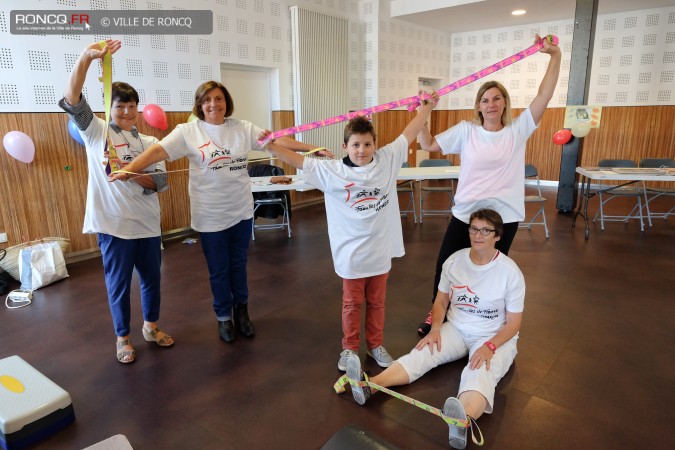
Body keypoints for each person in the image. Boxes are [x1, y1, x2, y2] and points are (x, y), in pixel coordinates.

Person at [109, 80, 329, 343]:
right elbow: (157, 151)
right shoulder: (188, 131)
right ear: (200, 105)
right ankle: (224, 317)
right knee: (219, 270)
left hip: (241, 212)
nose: (214, 104)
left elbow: (275, 140)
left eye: (219, 98)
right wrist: (129, 168)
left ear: (226, 102)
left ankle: (242, 313)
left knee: (238, 266)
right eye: (207, 100)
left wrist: (312, 149)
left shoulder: (243, 128)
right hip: (210, 215)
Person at [260, 91, 439, 371]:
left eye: (367, 144)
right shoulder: (331, 171)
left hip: (379, 251)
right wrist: (269, 147)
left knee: (378, 302)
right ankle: (350, 350)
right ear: (345, 146)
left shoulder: (387, 160)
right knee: (352, 303)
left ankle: (376, 345)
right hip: (351, 255)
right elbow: (298, 161)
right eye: (355, 145)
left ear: (375, 145)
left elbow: (408, 133)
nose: (362, 150)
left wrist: (426, 110)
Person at [416, 34, 560, 336]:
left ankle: (484, 320)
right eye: (485, 99)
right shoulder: (466, 131)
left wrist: (554, 55)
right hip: (466, 213)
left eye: (496, 98)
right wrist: (424, 110)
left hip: (503, 218)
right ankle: (436, 315)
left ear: (504, 102)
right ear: (478, 106)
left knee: (492, 271)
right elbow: (427, 143)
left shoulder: (517, 131)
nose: (491, 104)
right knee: (446, 266)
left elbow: (544, 97)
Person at [346, 208, 525, 450]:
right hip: (458, 328)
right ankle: (370, 385)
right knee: (423, 352)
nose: (478, 235)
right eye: (474, 229)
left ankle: (462, 421)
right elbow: (441, 302)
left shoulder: (510, 272)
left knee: (479, 372)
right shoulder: (454, 261)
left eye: (486, 230)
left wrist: (490, 346)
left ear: (497, 236)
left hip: (495, 335)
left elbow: (514, 323)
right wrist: (435, 330)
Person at [59, 40, 174, 364]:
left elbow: (161, 182)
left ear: (138, 110)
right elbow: (72, 98)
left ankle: (150, 327)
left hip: (148, 226)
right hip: (113, 226)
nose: (126, 112)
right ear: (111, 107)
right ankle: (123, 338)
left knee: (152, 281)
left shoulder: (150, 142)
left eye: (131, 106)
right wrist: (85, 58)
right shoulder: (96, 133)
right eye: (120, 106)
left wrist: (131, 173)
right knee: (119, 286)